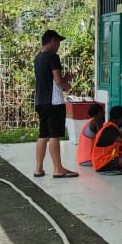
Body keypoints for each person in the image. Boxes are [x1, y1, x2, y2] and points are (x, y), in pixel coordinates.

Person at [33, 29, 77, 178]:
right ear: (52, 40)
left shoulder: (38, 58)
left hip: (40, 101)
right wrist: (67, 85)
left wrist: (66, 78)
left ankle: (38, 169)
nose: (58, 45)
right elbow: (58, 81)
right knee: (54, 135)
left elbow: (49, 79)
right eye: (58, 41)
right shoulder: (53, 57)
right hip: (54, 103)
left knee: (43, 134)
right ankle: (58, 169)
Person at [91, 106, 122, 175]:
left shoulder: (112, 127)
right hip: (102, 163)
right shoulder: (110, 128)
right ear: (120, 118)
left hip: (108, 158)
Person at [76, 103, 105, 167]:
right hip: (90, 159)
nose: (104, 113)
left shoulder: (90, 121)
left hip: (82, 160)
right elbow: (104, 138)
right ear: (99, 112)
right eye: (102, 111)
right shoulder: (97, 121)